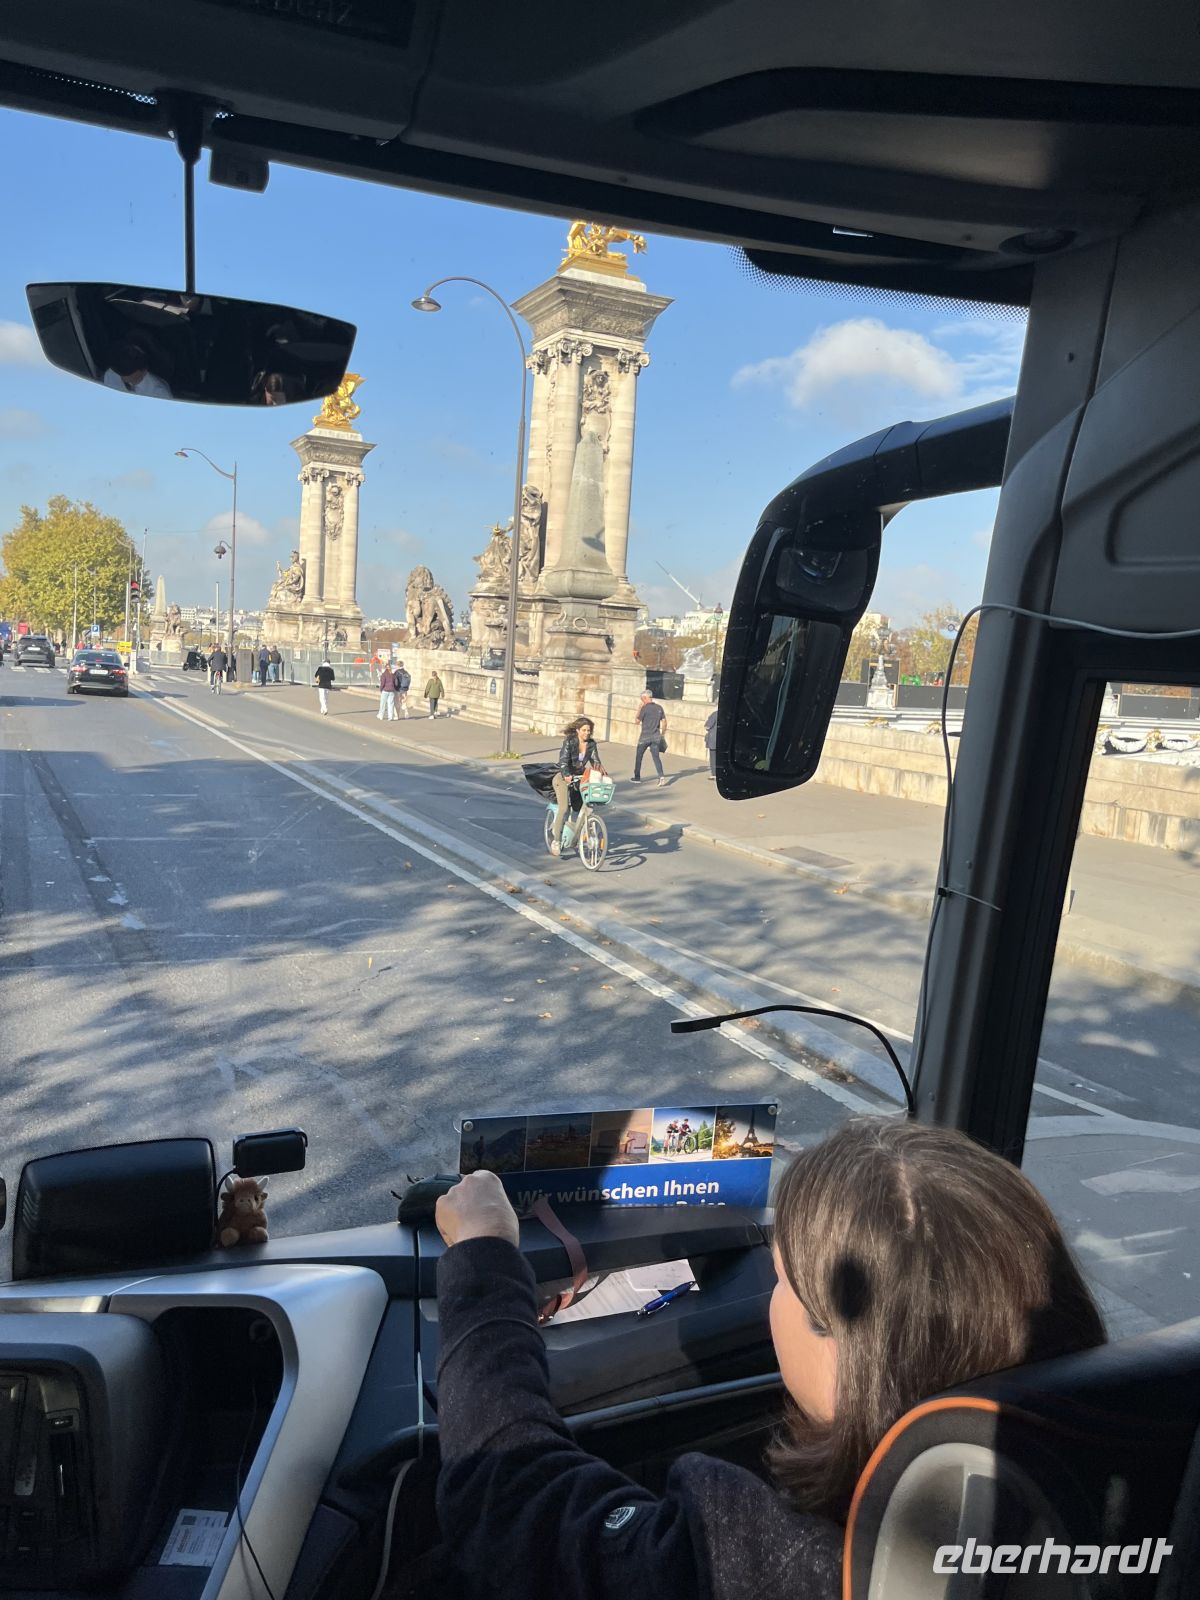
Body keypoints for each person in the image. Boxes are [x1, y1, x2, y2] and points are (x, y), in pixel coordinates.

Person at [431, 1118, 1106, 1600]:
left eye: (782, 1278)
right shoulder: (1119, 1489)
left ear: (850, 1360)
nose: (769, 1295)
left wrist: (484, 1256)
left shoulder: (776, 1564)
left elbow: (512, 1498)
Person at [550, 716, 604, 857]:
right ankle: (556, 840)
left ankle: (576, 833)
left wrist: (603, 775)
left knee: (582, 807)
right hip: (563, 777)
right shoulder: (570, 741)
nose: (587, 733)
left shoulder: (591, 744)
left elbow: (596, 762)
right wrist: (567, 774)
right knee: (564, 808)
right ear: (577, 730)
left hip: (579, 778)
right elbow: (563, 761)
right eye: (584, 730)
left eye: (589, 730)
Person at [102, 342, 173, 399]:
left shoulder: (160, 393)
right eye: (119, 371)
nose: (122, 377)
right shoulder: (111, 374)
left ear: (144, 370)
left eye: (128, 371)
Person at [632, 689, 668, 785]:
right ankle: (661, 777)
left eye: (641, 699)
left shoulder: (645, 708)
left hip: (645, 737)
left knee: (639, 756)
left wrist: (639, 709)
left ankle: (637, 777)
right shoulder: (659, 707)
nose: (641, 701)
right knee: (656, 757)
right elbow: (664, 722)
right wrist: (662, 734)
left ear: (645, 698)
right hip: (656, 736)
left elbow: (637, 721)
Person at [704, 708, 718, 779]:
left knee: (713, 757)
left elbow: (707, 726)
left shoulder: (715, 714)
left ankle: (714, 774)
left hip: (713, 740)